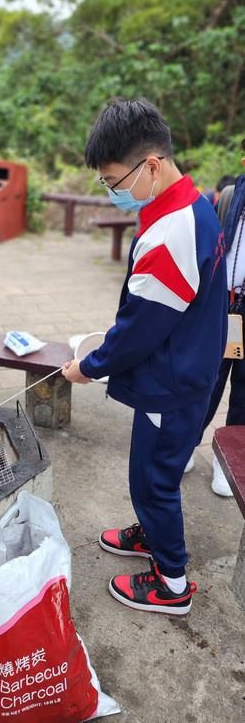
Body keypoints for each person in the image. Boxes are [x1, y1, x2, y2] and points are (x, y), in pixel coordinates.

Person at [62, 98, 228, 615]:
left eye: (114, 181)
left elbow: (139, 330)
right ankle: (152, 534)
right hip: (186, 367)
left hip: (171, 382)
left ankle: (172, 583)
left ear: (151, 166)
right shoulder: (192, 203)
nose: (111, 192)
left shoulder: (172, 232)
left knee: (154, 479)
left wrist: (89, 367)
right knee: (155, 468)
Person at [186, 141, 245, 494]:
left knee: (244, 393)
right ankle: (187, 444)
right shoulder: (233, 194)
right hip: (225, 302)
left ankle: (229, 462)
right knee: (207, 377)